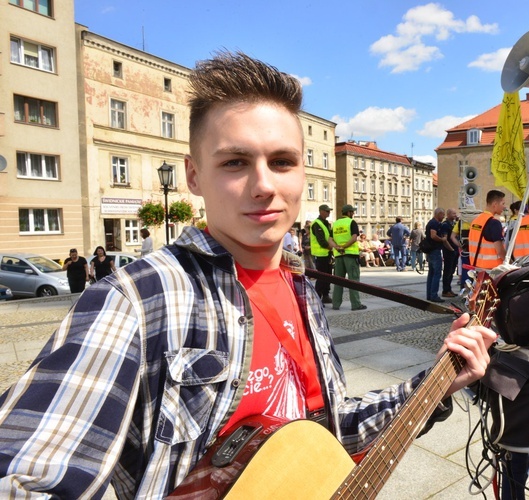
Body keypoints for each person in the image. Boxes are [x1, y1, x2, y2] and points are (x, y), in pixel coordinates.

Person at [0, 52, 497, 498]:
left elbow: (327, 433)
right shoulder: (141, 296)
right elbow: (27, 473)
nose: (264, 185)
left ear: (302, 173)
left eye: (282, 162)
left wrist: (438, 381)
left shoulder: (299, 287)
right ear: (194, 176)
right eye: (235, 162)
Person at [331, 205, 368, 310]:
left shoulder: (335, 224)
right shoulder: (351, 222)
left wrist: (337, 247)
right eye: (352, 212)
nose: (353, 214)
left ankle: (336, 304)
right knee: (353, 280)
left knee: (338, 280)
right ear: (349, 213)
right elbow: (354, 237)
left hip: (338, 256)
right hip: (350, 255)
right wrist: (344, 246)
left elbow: (330, 239)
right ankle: (356, 304)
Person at [467, 190, 506, 271]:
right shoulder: (494, 223)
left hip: (477, 267)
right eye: (503, 204)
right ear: (495, 204)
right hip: (493, 270)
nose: (504, 207)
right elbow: (500, 251)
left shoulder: (476, 221)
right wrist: (510, 263)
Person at [310, 204, 334, 303]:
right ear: (321, 211)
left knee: (328, 276)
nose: (329, 213)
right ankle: (317, 298)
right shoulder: (317, 224)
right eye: (327, 211)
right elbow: (322, 241)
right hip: (320, 254)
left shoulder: (326, 223)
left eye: (329, 211)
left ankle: (325, 295)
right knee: (321, 277)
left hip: (327, 253)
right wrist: (332, 248)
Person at [425, 207, 448, 302]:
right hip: (434, 250)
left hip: (430, 251)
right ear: (438, 214)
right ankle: (434, 295)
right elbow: (433, 235)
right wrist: (442, 239)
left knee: (431, 273)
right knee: (437, 274)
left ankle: (429, 295)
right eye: (442, 215)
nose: (443, 217)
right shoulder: (434, 223)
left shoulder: (431, 222)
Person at [440, 208, 460, 297]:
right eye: (453, 213)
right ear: (448, 214)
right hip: (449, 251)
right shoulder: (445, 225)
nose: (455, 215)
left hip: (455, 250)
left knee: (451, 271)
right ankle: (445, 290)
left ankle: (449, 289)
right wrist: (451, 249)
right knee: (447, 271)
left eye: (455, 213)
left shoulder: (454, 223)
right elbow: (445, 239)